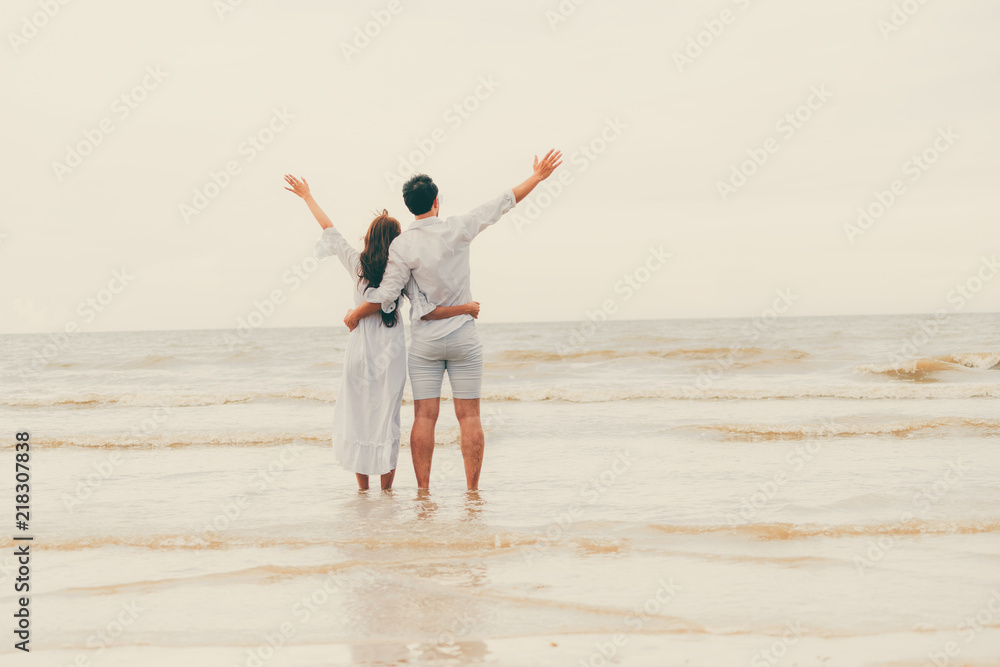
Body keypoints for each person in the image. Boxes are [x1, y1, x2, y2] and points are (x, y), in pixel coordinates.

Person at [344, 150, 563, 490]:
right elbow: (502, 203)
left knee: (424, 418)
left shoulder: (402, 245)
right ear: (435, 202)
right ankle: (472, 492)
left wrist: (358, 311)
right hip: (463, 336)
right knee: (470, 417)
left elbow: (387, 294)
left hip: (426, 342)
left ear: (410, 206)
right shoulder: (459, 227)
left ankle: (423, 493)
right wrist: (537, 177)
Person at [283, 174, 480, 491]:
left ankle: (363, 489)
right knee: (387, 418)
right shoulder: (402, 269)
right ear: (395, 239)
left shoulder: (357, 264)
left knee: (359, 415)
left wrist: (307, 196)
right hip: (390, 351)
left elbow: (329, 230)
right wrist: (465, 307)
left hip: (360, 348)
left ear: (370, 237)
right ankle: (386, 489)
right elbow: (425, 308)